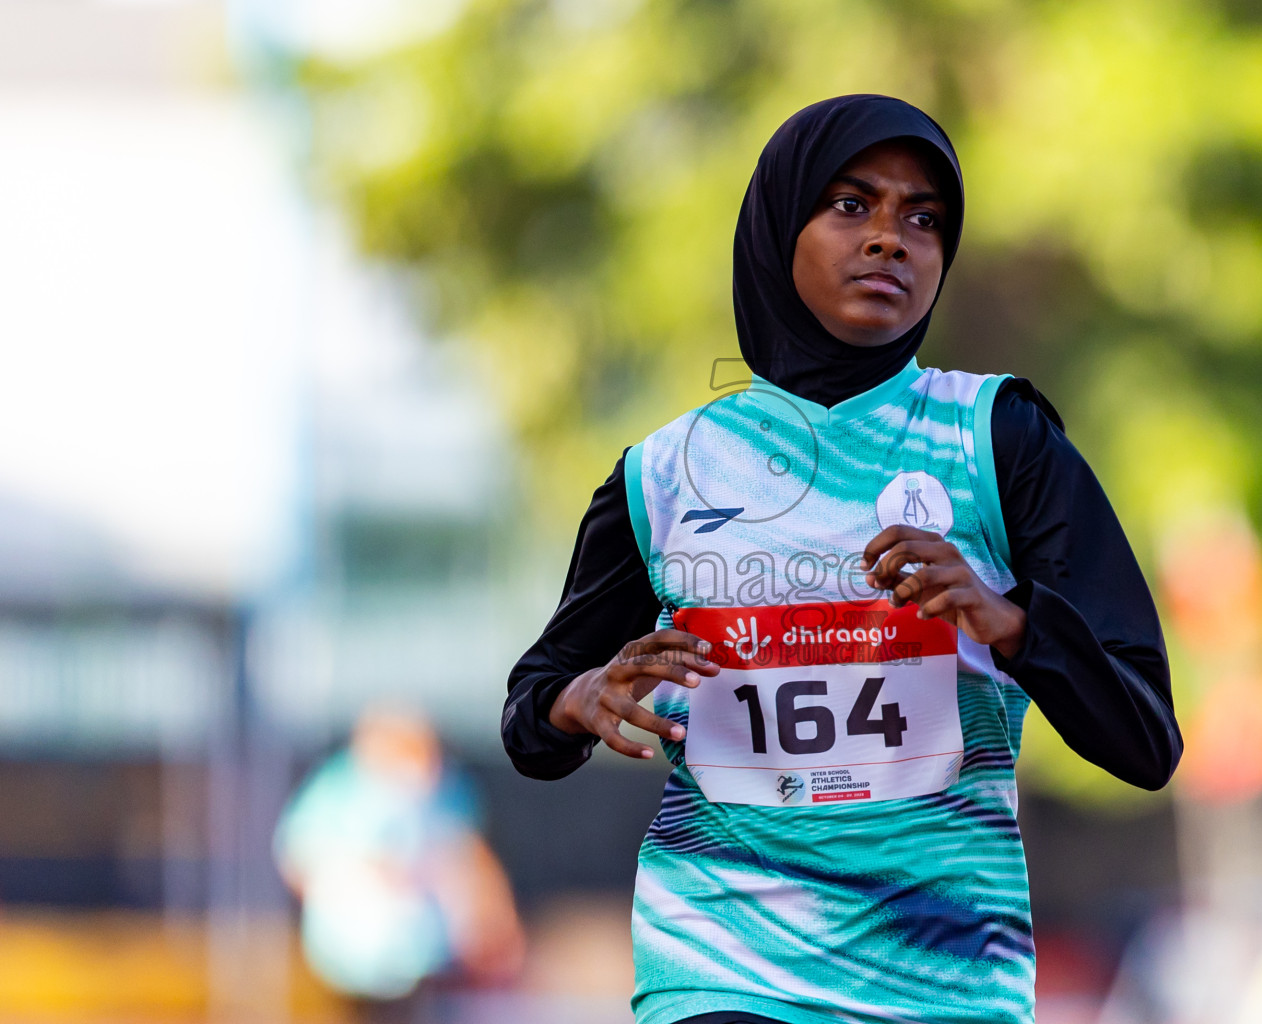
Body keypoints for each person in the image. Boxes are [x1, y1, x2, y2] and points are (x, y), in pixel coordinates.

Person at [502, 94, 1181, 1024]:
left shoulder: (999, 438)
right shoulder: (663, 473)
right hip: (723, 964)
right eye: (852, 206)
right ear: (780, 225)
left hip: (942, 981)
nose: (890, 239)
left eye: (923, 218)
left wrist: (1012, 623)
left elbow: (1146, 741)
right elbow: (532, 714)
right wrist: (579, 700)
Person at [276, 705, 525, 1017]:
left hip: (421, 957)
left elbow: (466, 859)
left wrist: (492, 924)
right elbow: (298, 858)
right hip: (352, 957)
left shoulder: (447, 791)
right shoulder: (337, 790)